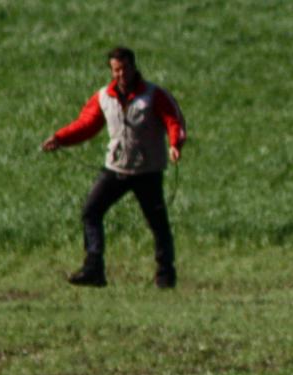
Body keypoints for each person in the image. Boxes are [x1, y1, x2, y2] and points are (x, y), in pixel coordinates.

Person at [42, 47, 186, 288]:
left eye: (125, 68)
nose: (121, 74)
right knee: (91, 211)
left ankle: (165, 276)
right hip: (116, 168)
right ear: (111, 70)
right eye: (116, 70)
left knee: (158, 223)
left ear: (133, 67)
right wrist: (60, 138)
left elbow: (173, 120)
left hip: (147, 171)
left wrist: (175, 144)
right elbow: (87, 124)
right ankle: (94, 268)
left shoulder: (153, 95)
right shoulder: (103, 97)